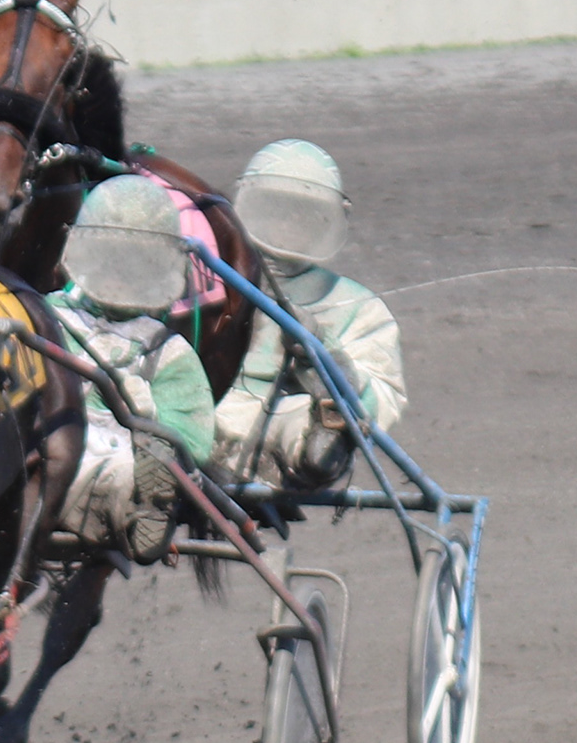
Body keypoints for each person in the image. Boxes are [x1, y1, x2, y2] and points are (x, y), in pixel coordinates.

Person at [211, 140, 407, 486]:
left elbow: (382, 396)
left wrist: (320, 349)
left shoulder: (356, 306)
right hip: (206, 408)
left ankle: (322, 446)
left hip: (285, 420)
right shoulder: (209, 279)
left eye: (303, 213)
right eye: (276, 209)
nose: (288, 223)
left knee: (317, 423)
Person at [50, 176, 216, 563]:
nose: (119, 276)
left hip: (118, 452)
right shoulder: (46, 317)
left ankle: (147, 506)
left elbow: (191, 438)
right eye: (112, 262)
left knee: (126, 471)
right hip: (49, 433)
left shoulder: (166, 349)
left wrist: (148, 415)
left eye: (133, 266)